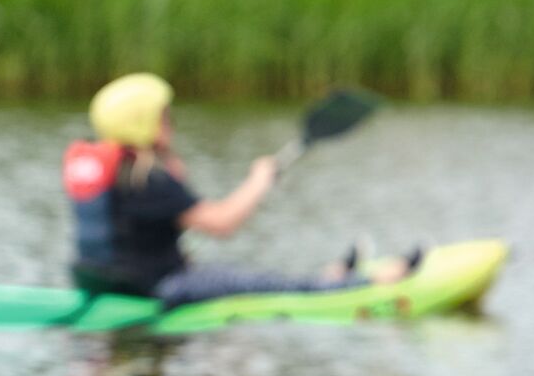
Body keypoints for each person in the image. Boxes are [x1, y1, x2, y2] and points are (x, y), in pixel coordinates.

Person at [63, 74, 407, 309]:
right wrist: (259, 179)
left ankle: (332, 277)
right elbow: (223, 223)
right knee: (262, 281)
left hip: (102, 285)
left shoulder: (102, 168)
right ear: (141, 122)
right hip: (158, 289)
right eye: (164, 116)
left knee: (234, 274)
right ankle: (369, 283)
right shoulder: (147, 177)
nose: (171, 123)